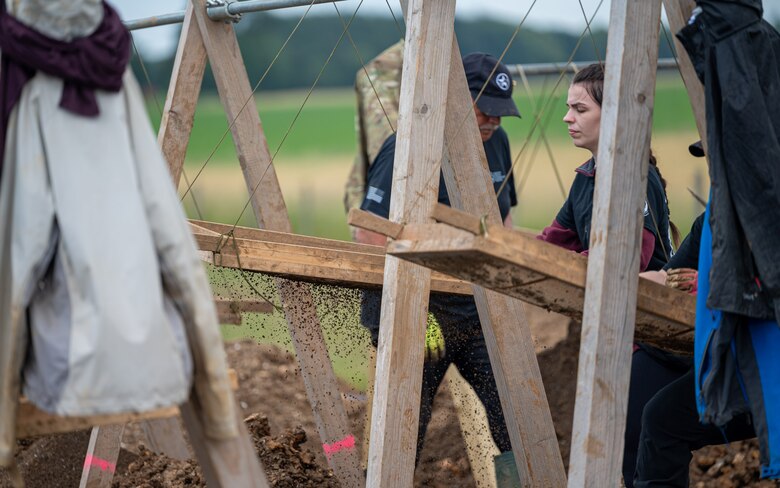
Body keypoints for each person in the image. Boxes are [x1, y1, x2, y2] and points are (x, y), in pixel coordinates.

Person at [355, 52, 519, 460]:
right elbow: (369, 236)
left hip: (473, 310)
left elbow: (504, 223)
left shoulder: (496, 142)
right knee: (404, 431)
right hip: (413, 314)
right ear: (457, 98)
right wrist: (412, 311)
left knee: (517, 417)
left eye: (500, 113)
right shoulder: (407, 148)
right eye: (485, 111)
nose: (493, 121)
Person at [537, 63, 686, 487]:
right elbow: (552, 243)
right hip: (619, 332)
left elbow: (628, 261)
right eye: (568, 108)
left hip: (656, 333)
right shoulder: (585, 178)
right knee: (627, 449)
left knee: (640, 444)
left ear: (615, 112)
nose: (568, 118)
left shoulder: (635, 177)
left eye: (580, 109)